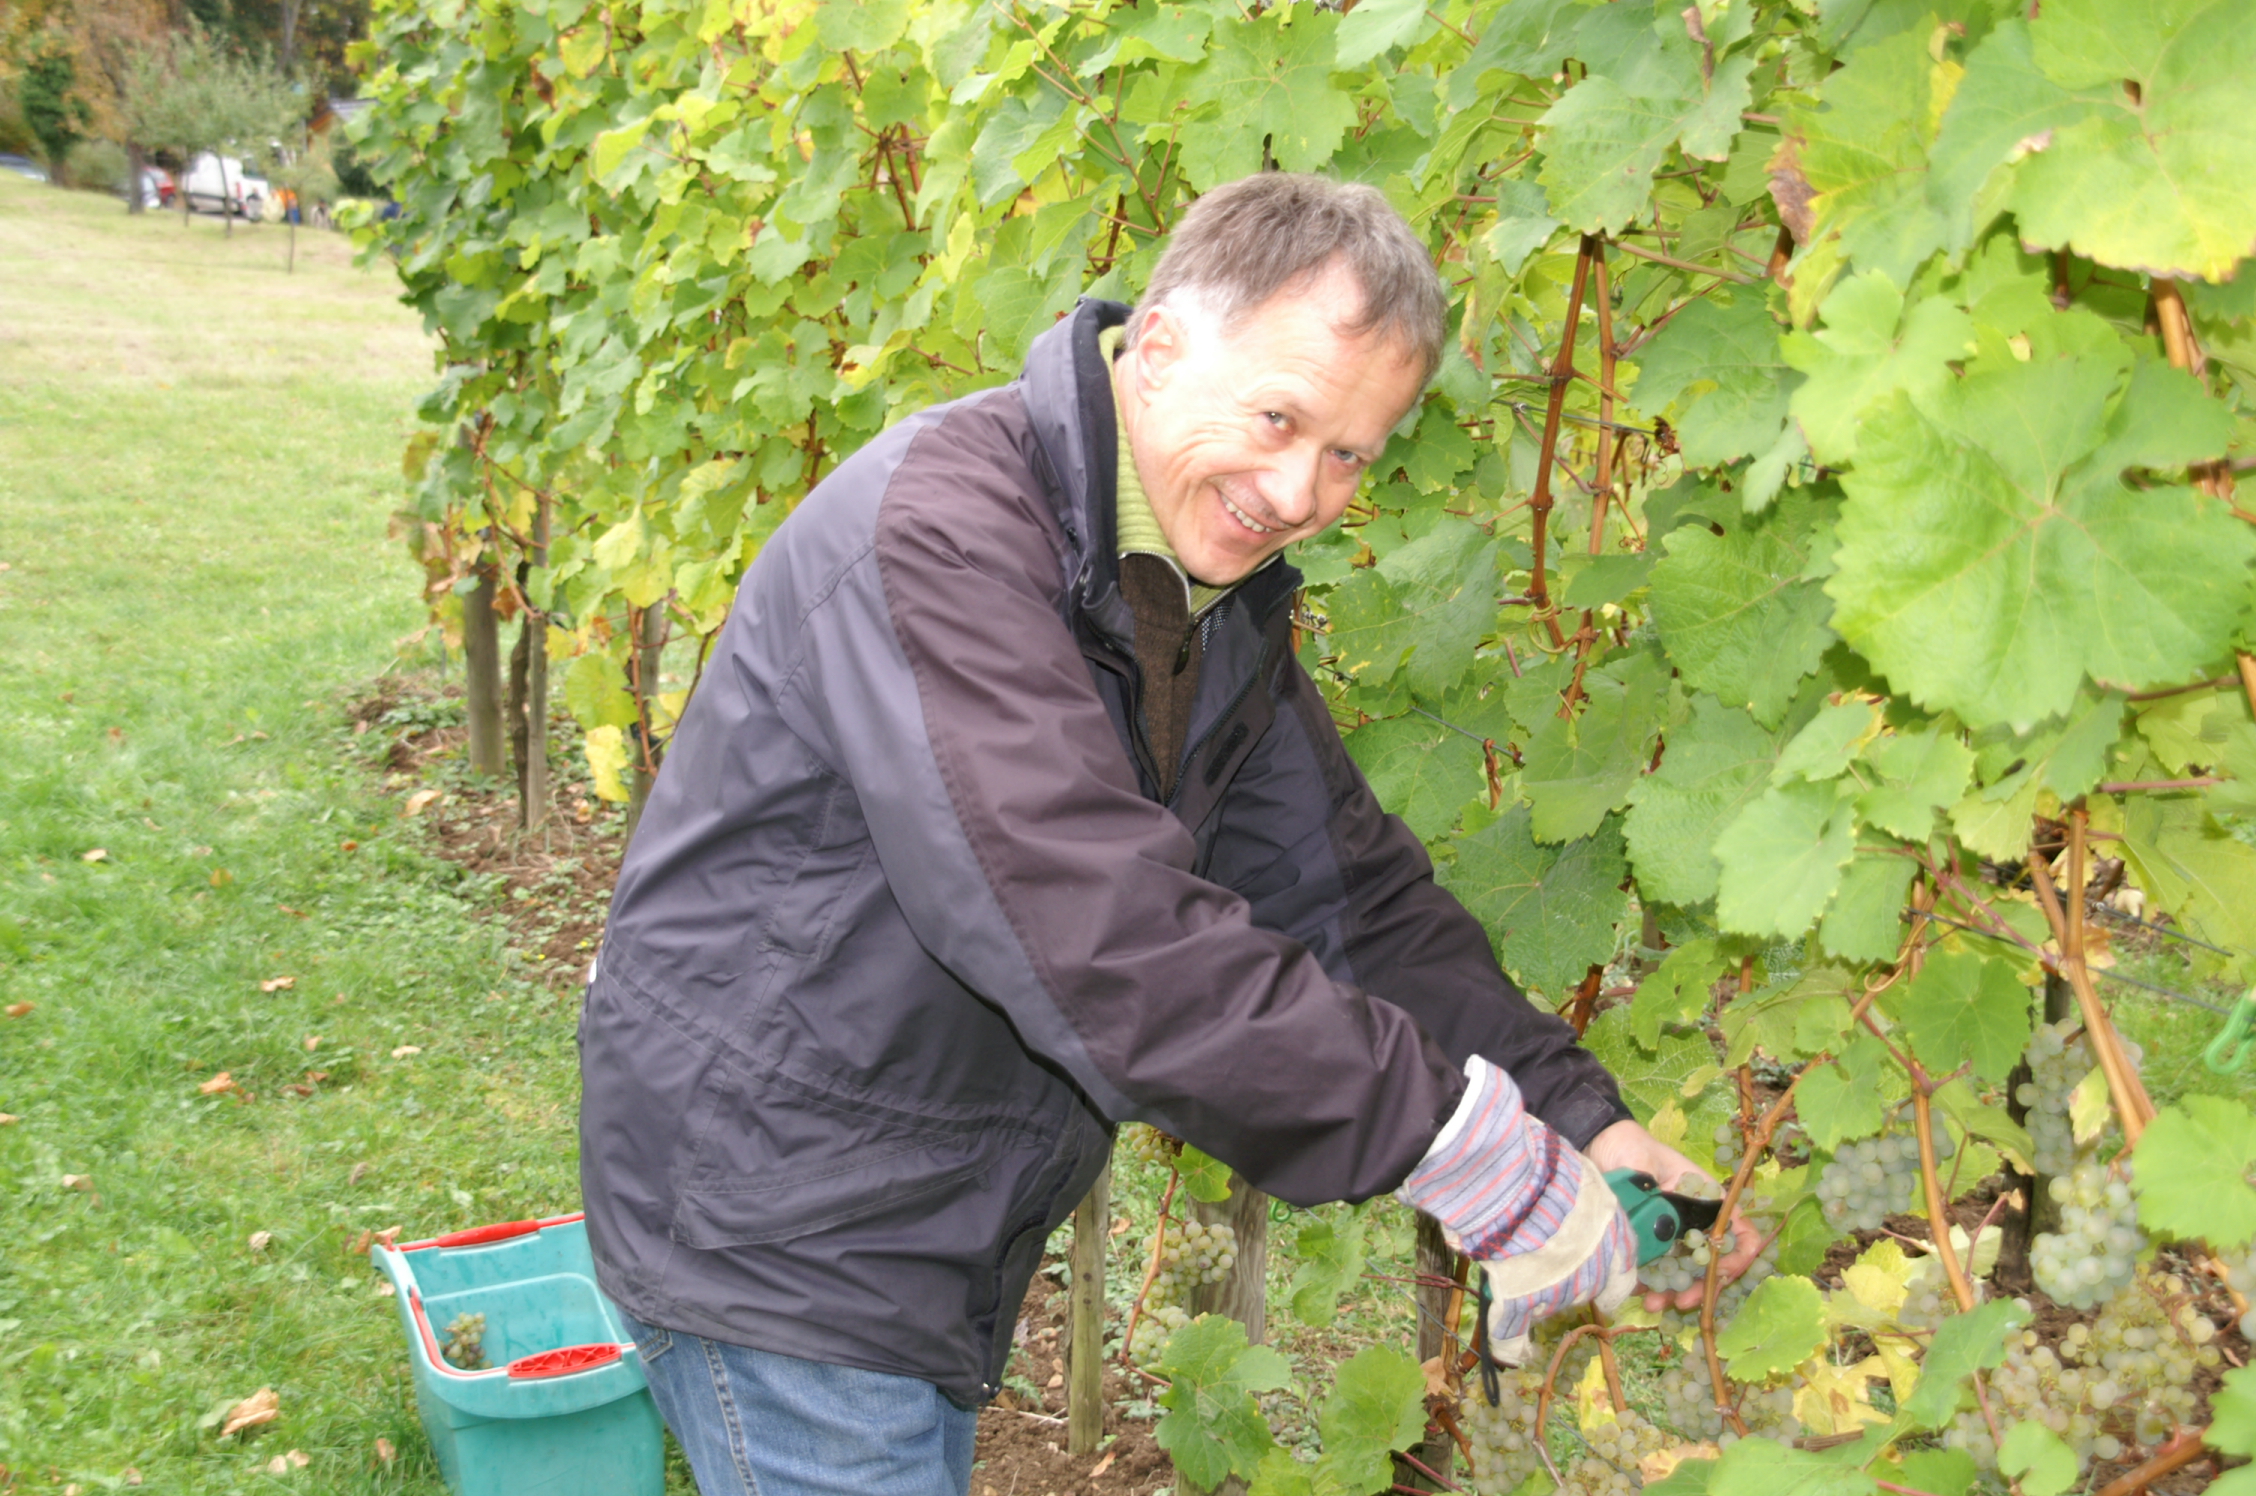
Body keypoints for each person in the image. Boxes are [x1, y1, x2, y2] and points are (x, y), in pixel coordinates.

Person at [578, 173, 1753, 1496]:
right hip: (772, 1222)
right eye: (1280, 417)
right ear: (1158, 345)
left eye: (1350, 454)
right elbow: (1104, 941)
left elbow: (1348, 903)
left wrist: (1575, 1118)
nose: (1300, 489)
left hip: (895, 1213)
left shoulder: (1199, 590)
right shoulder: (944, 540)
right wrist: (1469, 1154)